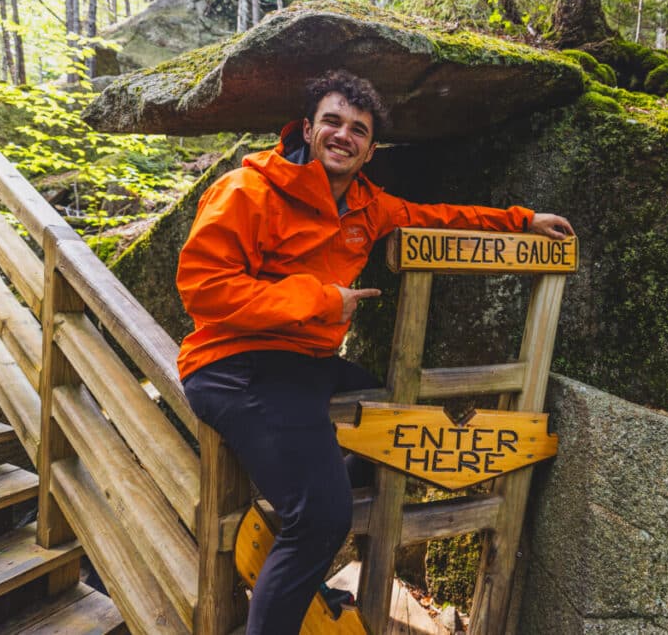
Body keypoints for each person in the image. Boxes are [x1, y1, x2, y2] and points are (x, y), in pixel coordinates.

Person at [177, 70, 573, 634]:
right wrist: (321, 299)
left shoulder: (367, 205)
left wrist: (521, 221)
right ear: (308, 128)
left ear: (369, 149)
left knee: (386, 412)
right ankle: (305, 536)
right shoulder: (248, 190)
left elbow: (437, 216)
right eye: (332, 122)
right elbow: (203, 289)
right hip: (235, 365)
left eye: (357, 129)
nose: (343, 135)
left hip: (307, 366)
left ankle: (300, 531)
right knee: (320, 518)